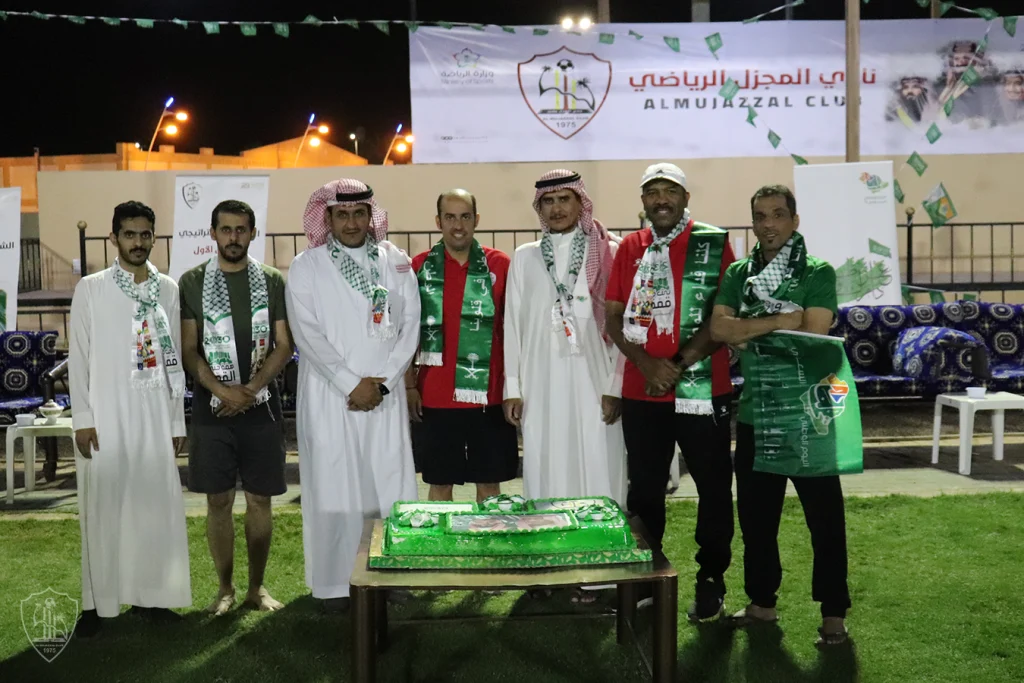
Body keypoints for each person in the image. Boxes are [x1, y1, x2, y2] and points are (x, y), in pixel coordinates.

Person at [710, 184, 850, 646]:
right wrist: (777, 321)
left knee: (825, 524)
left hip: (809, 418)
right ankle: (761, 604)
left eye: (777, 214)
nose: (768, 224)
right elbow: (720, 329)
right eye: (760, 216)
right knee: (756, 522)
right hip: (757, 416)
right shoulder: (738, 273)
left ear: (794, 220)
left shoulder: (817, 271)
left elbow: (812, 335)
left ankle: (833, 614)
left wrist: (749, 332)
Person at [605, 163, 736, 623]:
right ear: (643, 200)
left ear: (685, 197)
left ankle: (711, 581)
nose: (661, 199)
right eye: (652, 192)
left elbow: (722, 319)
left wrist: (674, 367)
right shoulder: (630, 247)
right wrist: (646, 364)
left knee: (714, 488)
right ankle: (647, 578)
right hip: (643, 392)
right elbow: (613, 317)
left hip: (703, 388)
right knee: (643, 491)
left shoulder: (712, 243)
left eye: (670, 191)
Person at [286, 179, 420, 613]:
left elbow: (411, 325)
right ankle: (334, 584)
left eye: (359, 213)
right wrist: (350, 383)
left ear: (370, 216)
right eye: (341, 215)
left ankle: (393, 576)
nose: (351, 223)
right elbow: (307, 333)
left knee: (390, 485)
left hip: (384, 397)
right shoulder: (307, 265)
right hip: (330, 397)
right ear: (326, 217)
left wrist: (382, 383)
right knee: (334, 488)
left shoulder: (395, 261)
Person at [69, 201, 191, 637]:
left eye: (145, 235)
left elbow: (174, 361)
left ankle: (151, 597)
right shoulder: (92, 288)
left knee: (153, 506)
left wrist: (175, 422)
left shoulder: (168, 289)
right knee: (103, 507)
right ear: (114, 237)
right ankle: (96, 604)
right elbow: (78, 357)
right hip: (105, 414)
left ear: (153, 237)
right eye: (129, 234)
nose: (138, 243)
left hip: (154, 412)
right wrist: (83, 418)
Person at [504, 169, 626, 604]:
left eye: (564, 199)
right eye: (548, 202)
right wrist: (513, 386)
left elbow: (624, 328)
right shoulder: (524, 257)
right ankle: (549, 566)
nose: (556, 209)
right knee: (546, 466)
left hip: (595, 383)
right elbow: (512, 324)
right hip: (541, 384)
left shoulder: (609, 251)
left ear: (580, 203)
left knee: (598, 467)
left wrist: (615, 385)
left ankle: (600, 571)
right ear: (539, 208)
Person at [178, 199, 293, 615]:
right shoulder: (192, 282)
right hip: (212, 409)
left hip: (261, 407)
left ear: (253, 233)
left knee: (260, 500)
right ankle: (225, 588)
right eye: (225, 229)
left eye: (241, 229)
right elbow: (188, 349)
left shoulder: (272, 280)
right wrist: (222, 391)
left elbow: (284, 345)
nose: (233, 237)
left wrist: (250, 390)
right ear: (212, 233)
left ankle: (256, 588)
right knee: (218, 501)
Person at [406, 189, 518, 503]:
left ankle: (489, 538)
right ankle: (442, 539)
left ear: (476, 220)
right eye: (450, 217)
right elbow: (406, 332)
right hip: (435, 397)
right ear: (438, 221)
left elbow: (513, 330)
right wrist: (409, 385)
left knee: (490, 487)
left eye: (465, 216)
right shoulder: (419, 267)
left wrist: (513, 387)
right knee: (440, 486)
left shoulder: (501, 265)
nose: (458, 225)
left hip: (489, 397)